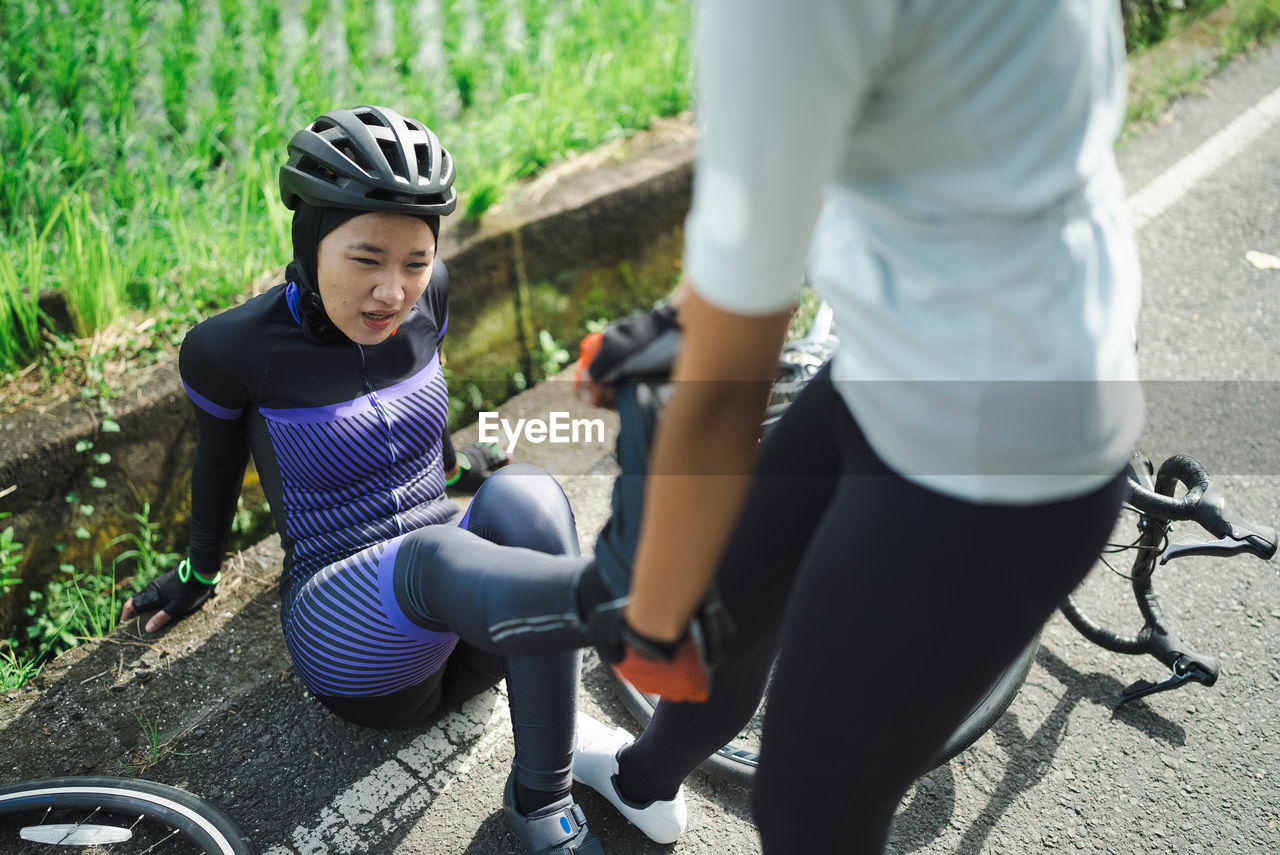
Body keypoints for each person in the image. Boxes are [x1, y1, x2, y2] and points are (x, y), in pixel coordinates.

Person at [570, 1, 1146, 852]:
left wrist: (649, 610)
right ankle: (642, 783)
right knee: (728, 607)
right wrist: (692, 311)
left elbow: (727, 393)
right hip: (909, 354)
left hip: (1000, 455)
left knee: (812, 814)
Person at [119, 105, 616, 855]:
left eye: (415, 261)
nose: (394, 292)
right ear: (311, 241)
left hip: (475, 637)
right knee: (437, 555)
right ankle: (620, 603)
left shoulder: (430, 298)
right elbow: (217, 464)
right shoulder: (231, 349)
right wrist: (195, 574)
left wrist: (457, 467)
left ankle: (543, 795)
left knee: (530, 493)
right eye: (366, 259)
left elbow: (416, 424)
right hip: (357, 647)